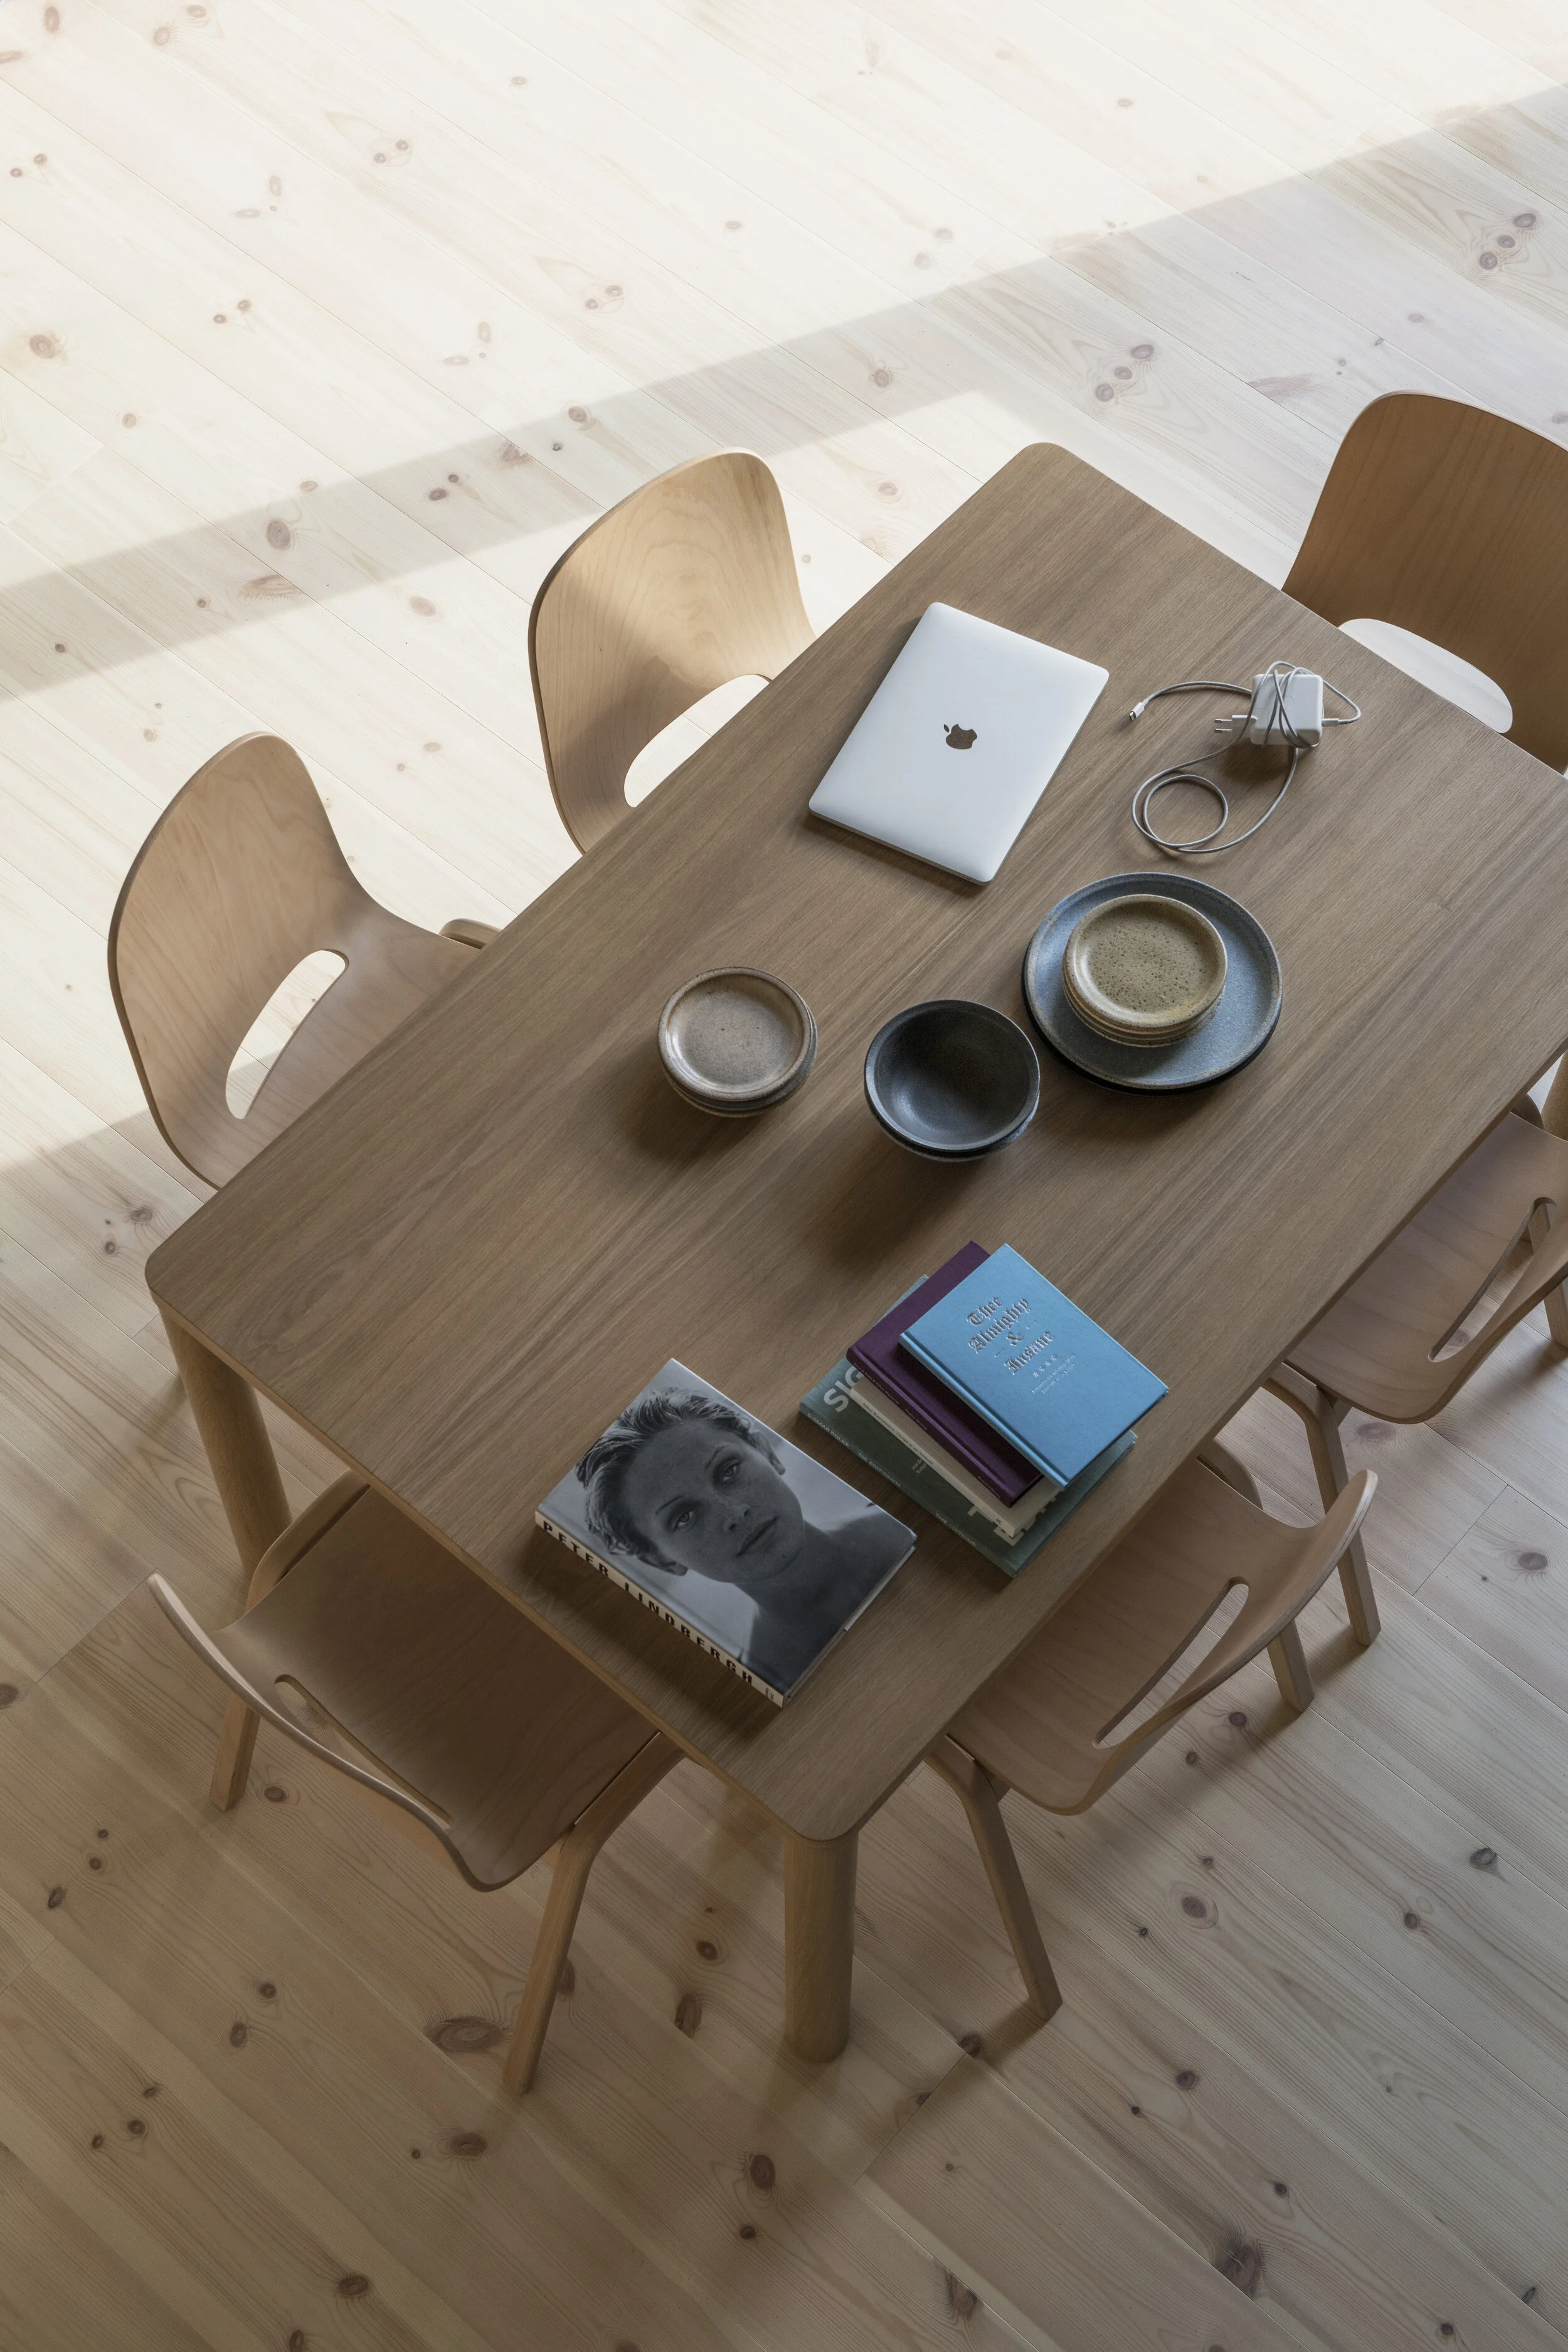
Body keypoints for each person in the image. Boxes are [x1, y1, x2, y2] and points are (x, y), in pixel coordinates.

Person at [576, 1386, 906, 1691]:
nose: (733, 1514)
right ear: (661, 1559)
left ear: (766, 1451)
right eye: (684, 1517)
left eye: (729, 1470)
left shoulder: (907, 1521)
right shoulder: (773, 1679)